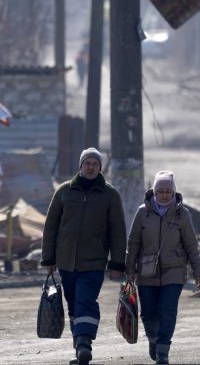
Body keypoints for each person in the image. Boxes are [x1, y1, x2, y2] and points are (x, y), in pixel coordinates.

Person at [41, 147, 127, 365]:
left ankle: (84, 344)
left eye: (95, 164)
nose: (90, 167)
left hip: (94, 262)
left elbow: (117, 230)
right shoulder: (63, 192)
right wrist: (49, 259)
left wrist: (117, 262)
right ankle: (78, 345)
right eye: (87, 163)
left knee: (85, 300)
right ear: (80, 166)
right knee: (72, 304)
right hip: (66, 262)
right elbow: (51, 227)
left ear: (100, 168)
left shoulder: (110, 195)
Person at [126, 171, 200, 364]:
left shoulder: (182, 215)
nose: (164, 195)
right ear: (153, 192)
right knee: (148, 313)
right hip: (146, 271)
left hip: (174, 271)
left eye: (168, 191)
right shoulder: (142, 212)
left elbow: (191, 246)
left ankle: (163, 350)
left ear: (174, 192)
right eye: (160, 191)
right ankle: (153, 339)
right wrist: (129, 272)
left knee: (167, 310)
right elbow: (133, 243)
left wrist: (198, 273)